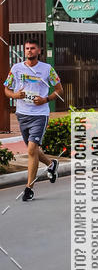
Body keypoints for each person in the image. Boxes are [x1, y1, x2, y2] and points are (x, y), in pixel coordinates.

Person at [3, 40, 63, 201]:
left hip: (40, 115)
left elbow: (59, 89)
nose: (29, 51)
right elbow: (6, 89)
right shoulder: (16, 69)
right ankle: (51, 164)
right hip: (22, 114)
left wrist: (46, 99)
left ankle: (29, 188)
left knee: (31, 150)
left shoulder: (47, 69)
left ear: (39, 50)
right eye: (27, 49)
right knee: (34, 150)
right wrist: (15, 95)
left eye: (32, 48)